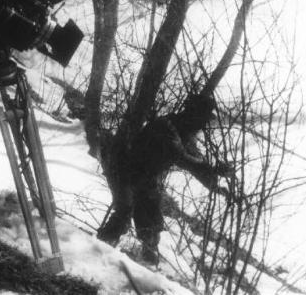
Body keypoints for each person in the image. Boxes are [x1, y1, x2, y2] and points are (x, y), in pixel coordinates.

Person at [96, 93, 233, 265]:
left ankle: (147, 264)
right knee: (124, 213)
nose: (202, 126)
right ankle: (97, 251)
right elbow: (184, 159)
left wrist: (214, 185)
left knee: (152, 223)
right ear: (193, 115)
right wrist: (214, 169)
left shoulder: (181, 131)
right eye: (202, 120)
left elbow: (196, 160)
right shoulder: (167, 128)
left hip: (146, 178)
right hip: (126, 172)